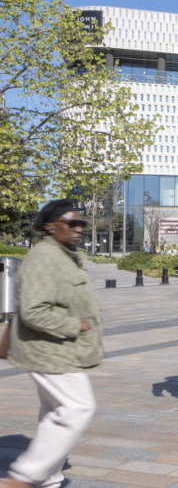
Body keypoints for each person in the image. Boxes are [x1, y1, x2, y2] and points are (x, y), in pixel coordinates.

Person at [1, 201, 101, 488]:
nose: (79, 228)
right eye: (72, 223)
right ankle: (24, 477)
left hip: (59, 348)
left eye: (82, 224)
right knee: (77, 407)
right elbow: (34, 311)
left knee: (55, 412)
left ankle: (48, 478)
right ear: (50, 226)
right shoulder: (45, 257)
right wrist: (75, 325)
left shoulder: (63, 255)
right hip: (48, 350)